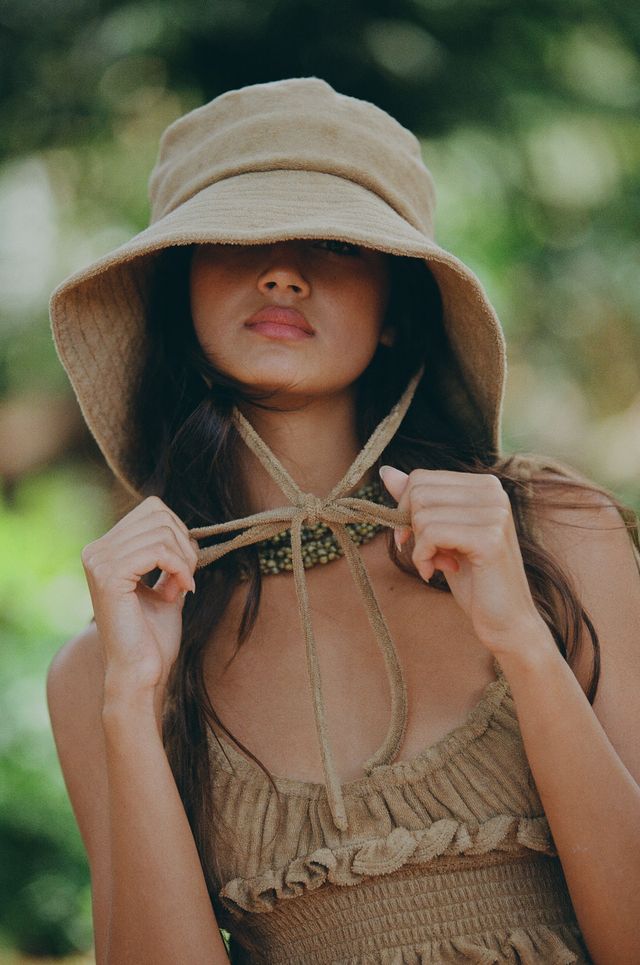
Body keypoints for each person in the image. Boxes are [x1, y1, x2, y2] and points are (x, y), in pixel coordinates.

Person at [46, 78, 640, 965]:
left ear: (400, 309)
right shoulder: (110, 658)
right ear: (180, 295)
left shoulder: (553, 534)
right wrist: (131, 701)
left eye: (336, 243)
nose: (285, 271)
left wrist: (521, 638)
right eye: (240, 237)